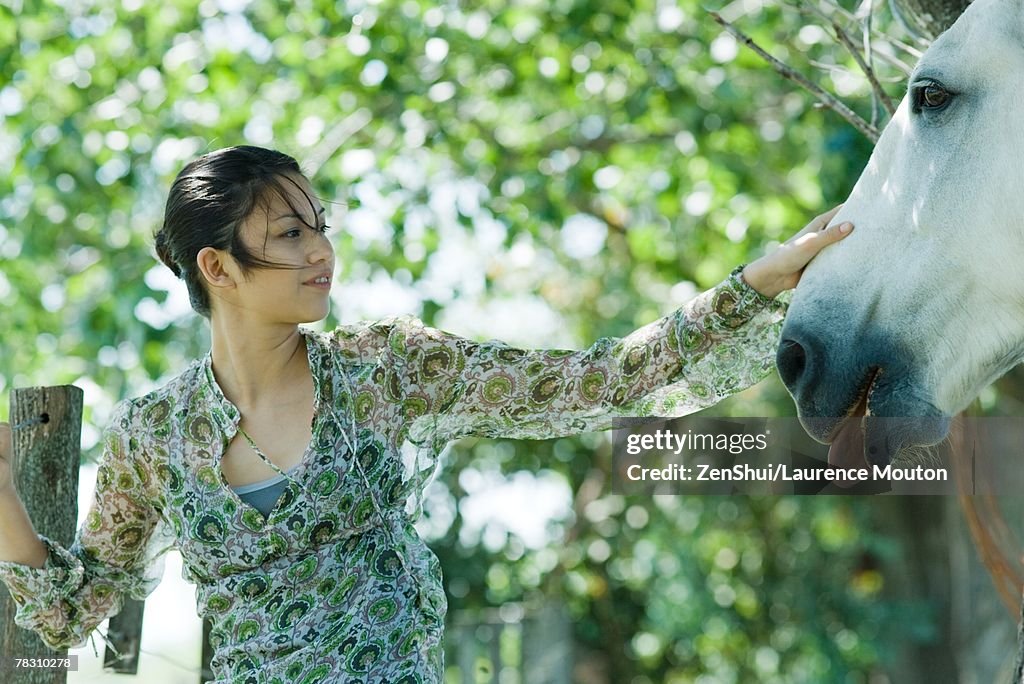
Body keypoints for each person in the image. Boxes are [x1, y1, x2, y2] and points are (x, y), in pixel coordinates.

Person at [0, 145, 853, 683]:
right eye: (291, 235)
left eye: (319, 226)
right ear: (218, 269)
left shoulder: (387, 369)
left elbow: (596, 381)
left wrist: (751, 287)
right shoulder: (152, 434)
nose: (322, 251)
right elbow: (74, 610)